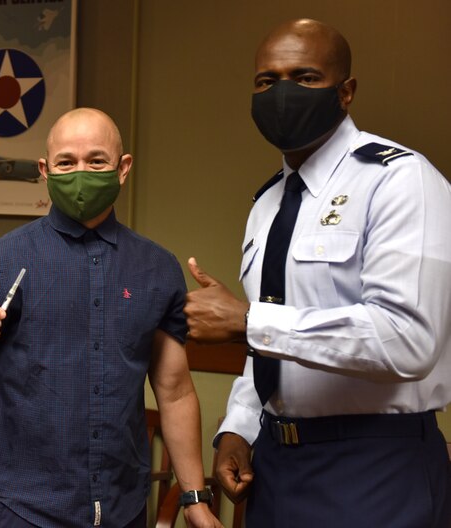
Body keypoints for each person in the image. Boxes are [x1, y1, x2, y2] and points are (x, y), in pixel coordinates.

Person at [183, 18, 451, 528]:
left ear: (345, 91)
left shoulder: (400, 181)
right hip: (277, 467)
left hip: (376, 465)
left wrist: (246, 322)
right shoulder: (268, 203)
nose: (282, 93)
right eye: (266, 81)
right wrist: (240, 429)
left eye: (305, 78)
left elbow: (409, 339)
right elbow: (275, 340)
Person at [0, 108, 222, 528]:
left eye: (97, 161)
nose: (81, 172)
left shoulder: (157, 268)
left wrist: (194, 497)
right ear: (45, 170)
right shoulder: (0, 260)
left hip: (123, 508)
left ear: (123, 168)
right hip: (22, 509)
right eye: (66, 162)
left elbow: (173, 392)